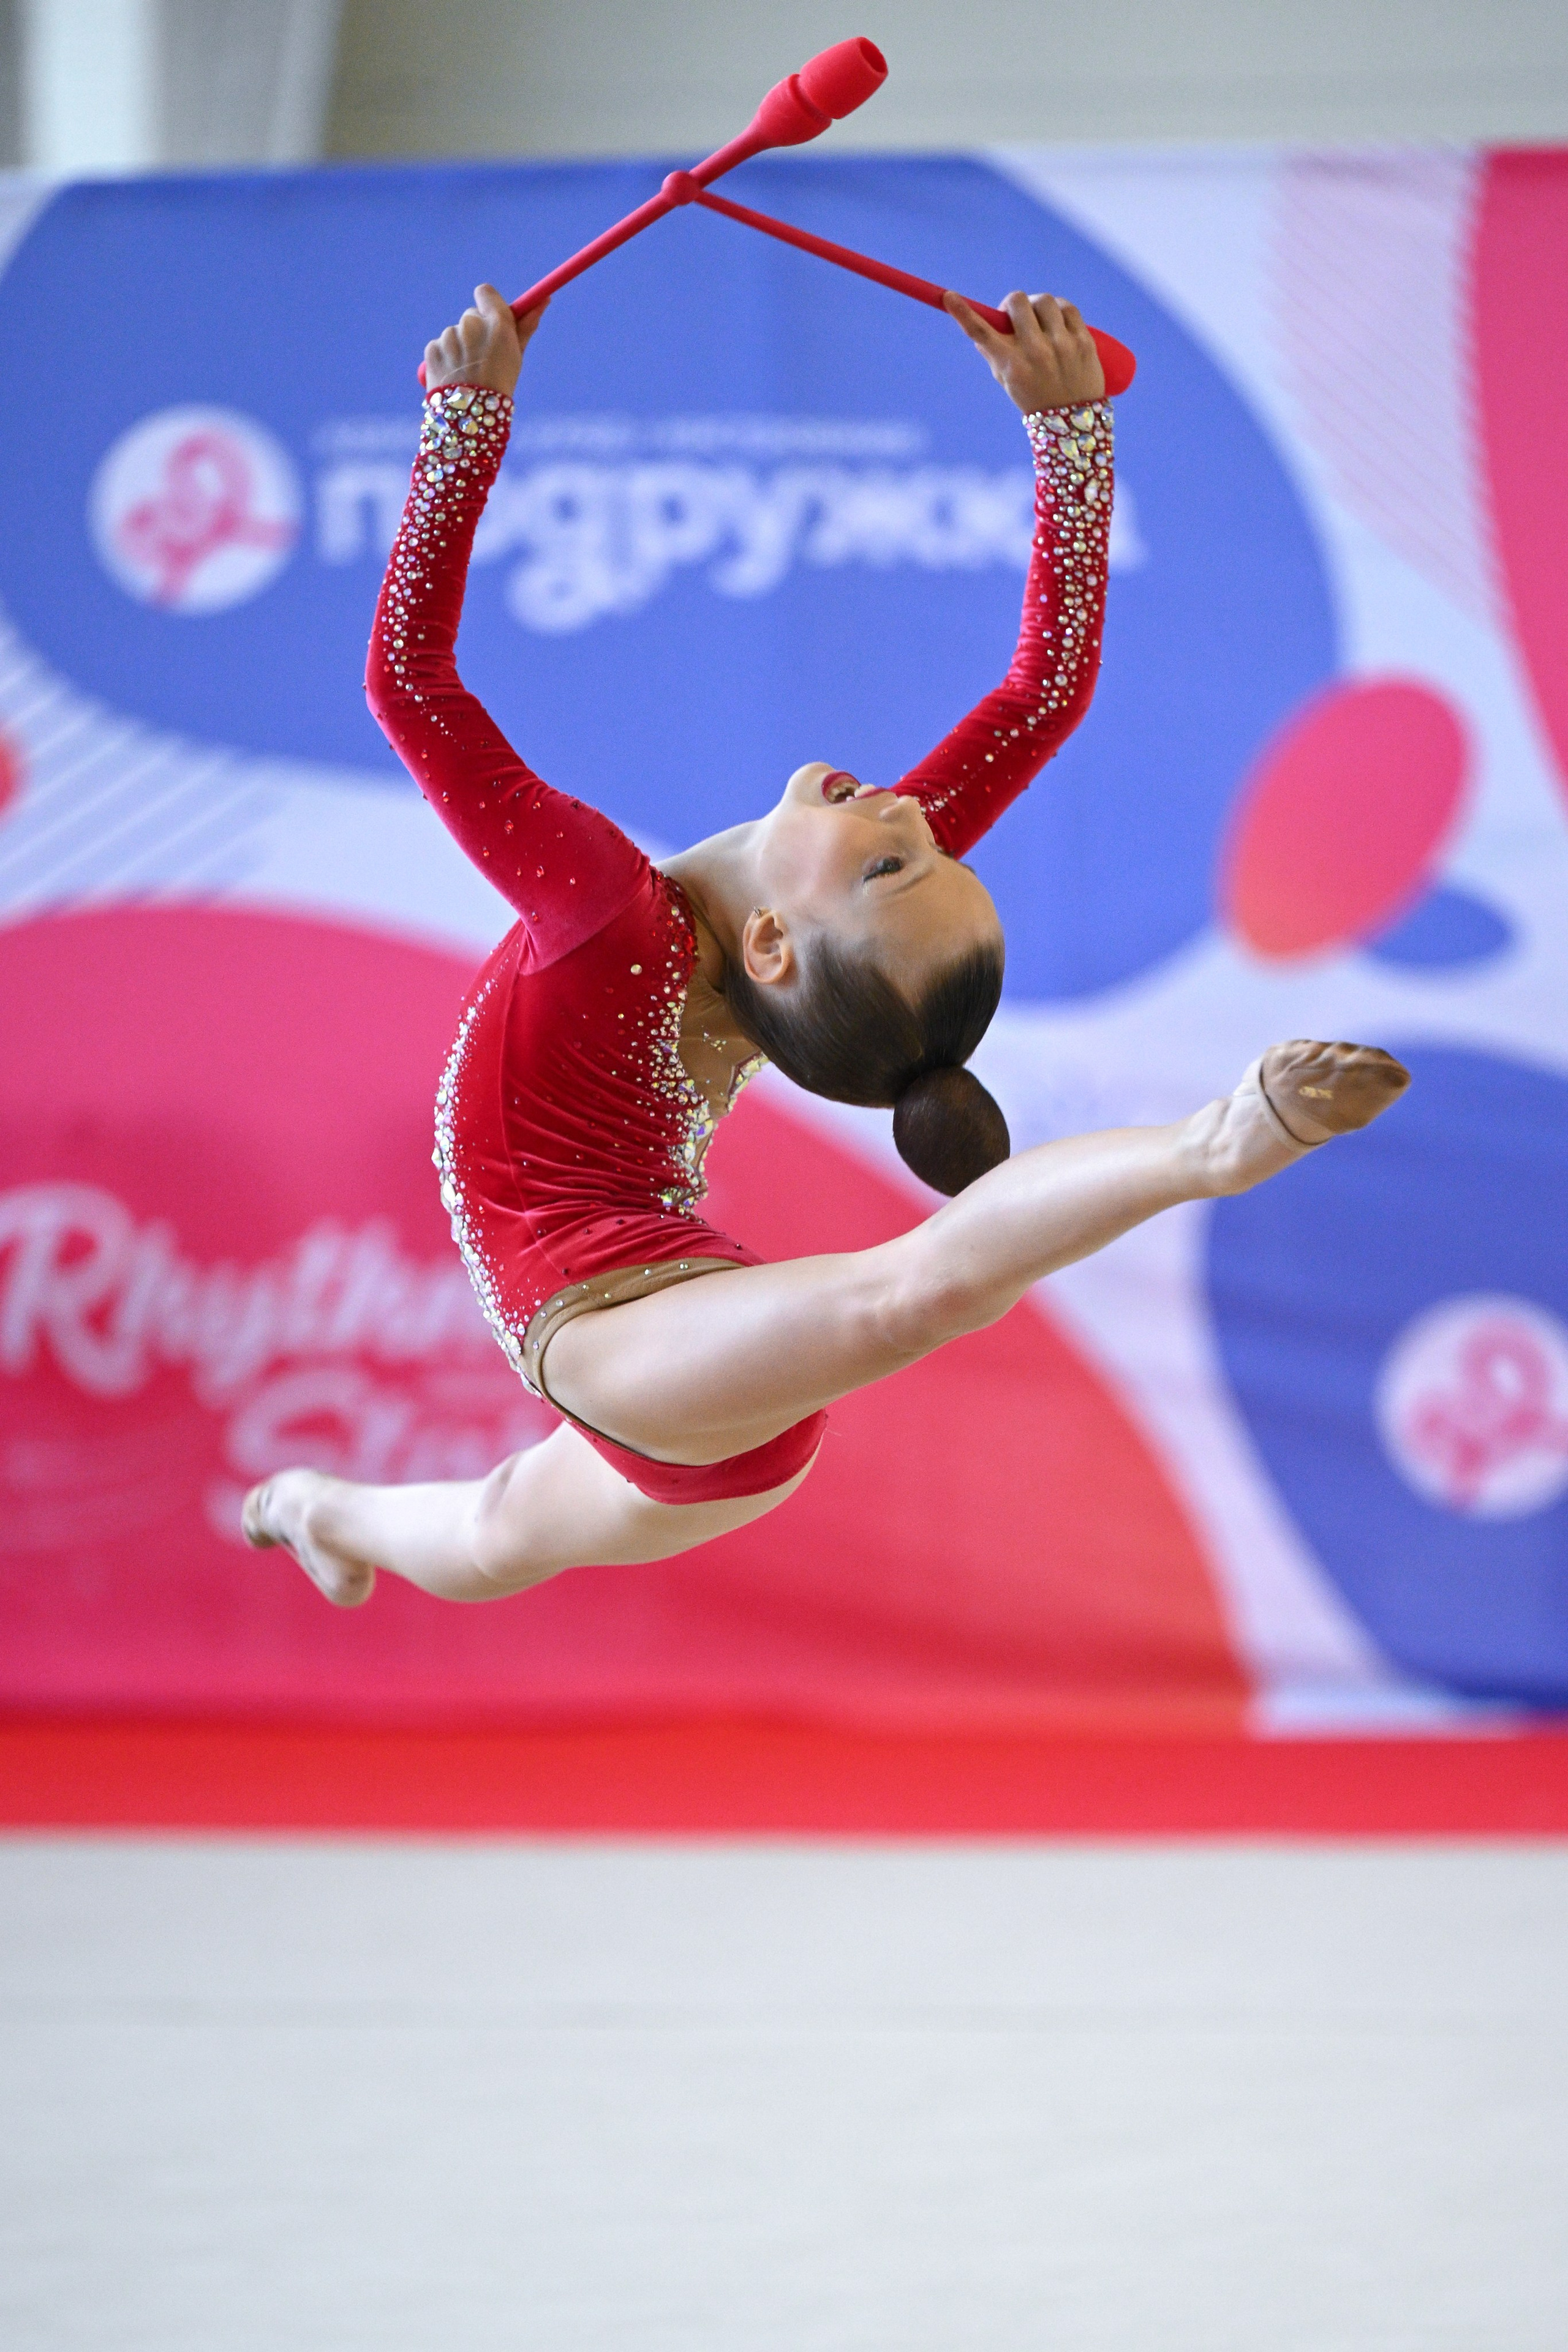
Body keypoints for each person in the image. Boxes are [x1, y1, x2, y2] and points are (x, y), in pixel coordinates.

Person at [244, 281, 1408, 1605]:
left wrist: (466, 423)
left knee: (897, 1298)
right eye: (930, 849)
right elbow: (1041, 696)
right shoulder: (793, 924)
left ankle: (1215, 1146)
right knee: (501, 1533)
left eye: (895, 862)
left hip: (629, 1338)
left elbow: (411, 685)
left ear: (779, 948)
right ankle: (321, 1508)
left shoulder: (608, 920)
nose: (913, 810)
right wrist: (1065, 433)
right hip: (697, 1375)